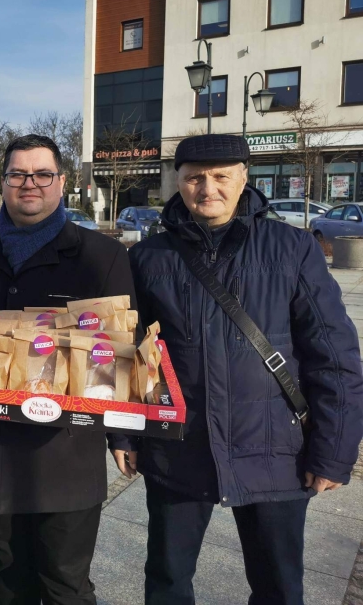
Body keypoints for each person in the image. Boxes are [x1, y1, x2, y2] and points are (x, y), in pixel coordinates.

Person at [122, 134, 363, 604]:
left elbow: (334, 355)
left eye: (220, 176)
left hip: (275, 451)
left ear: (244, 178)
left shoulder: (292, 249)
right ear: (177, 181)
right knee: (167, 581)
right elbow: (130, 355)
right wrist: (124, 435)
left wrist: (334, 450)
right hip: (180, 450)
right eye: (194, 177)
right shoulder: (149, 257)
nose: (207, 188)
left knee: (278, 587)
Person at [0, 134, 136, 605]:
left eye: (42, 174)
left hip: (65, 452)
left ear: (61, 181)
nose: (29, 184)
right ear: (3, 182)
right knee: (9, 573)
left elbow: (121, 349)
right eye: (18, 174)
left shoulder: (102, 256)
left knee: (66, 582)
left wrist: (122, 437)